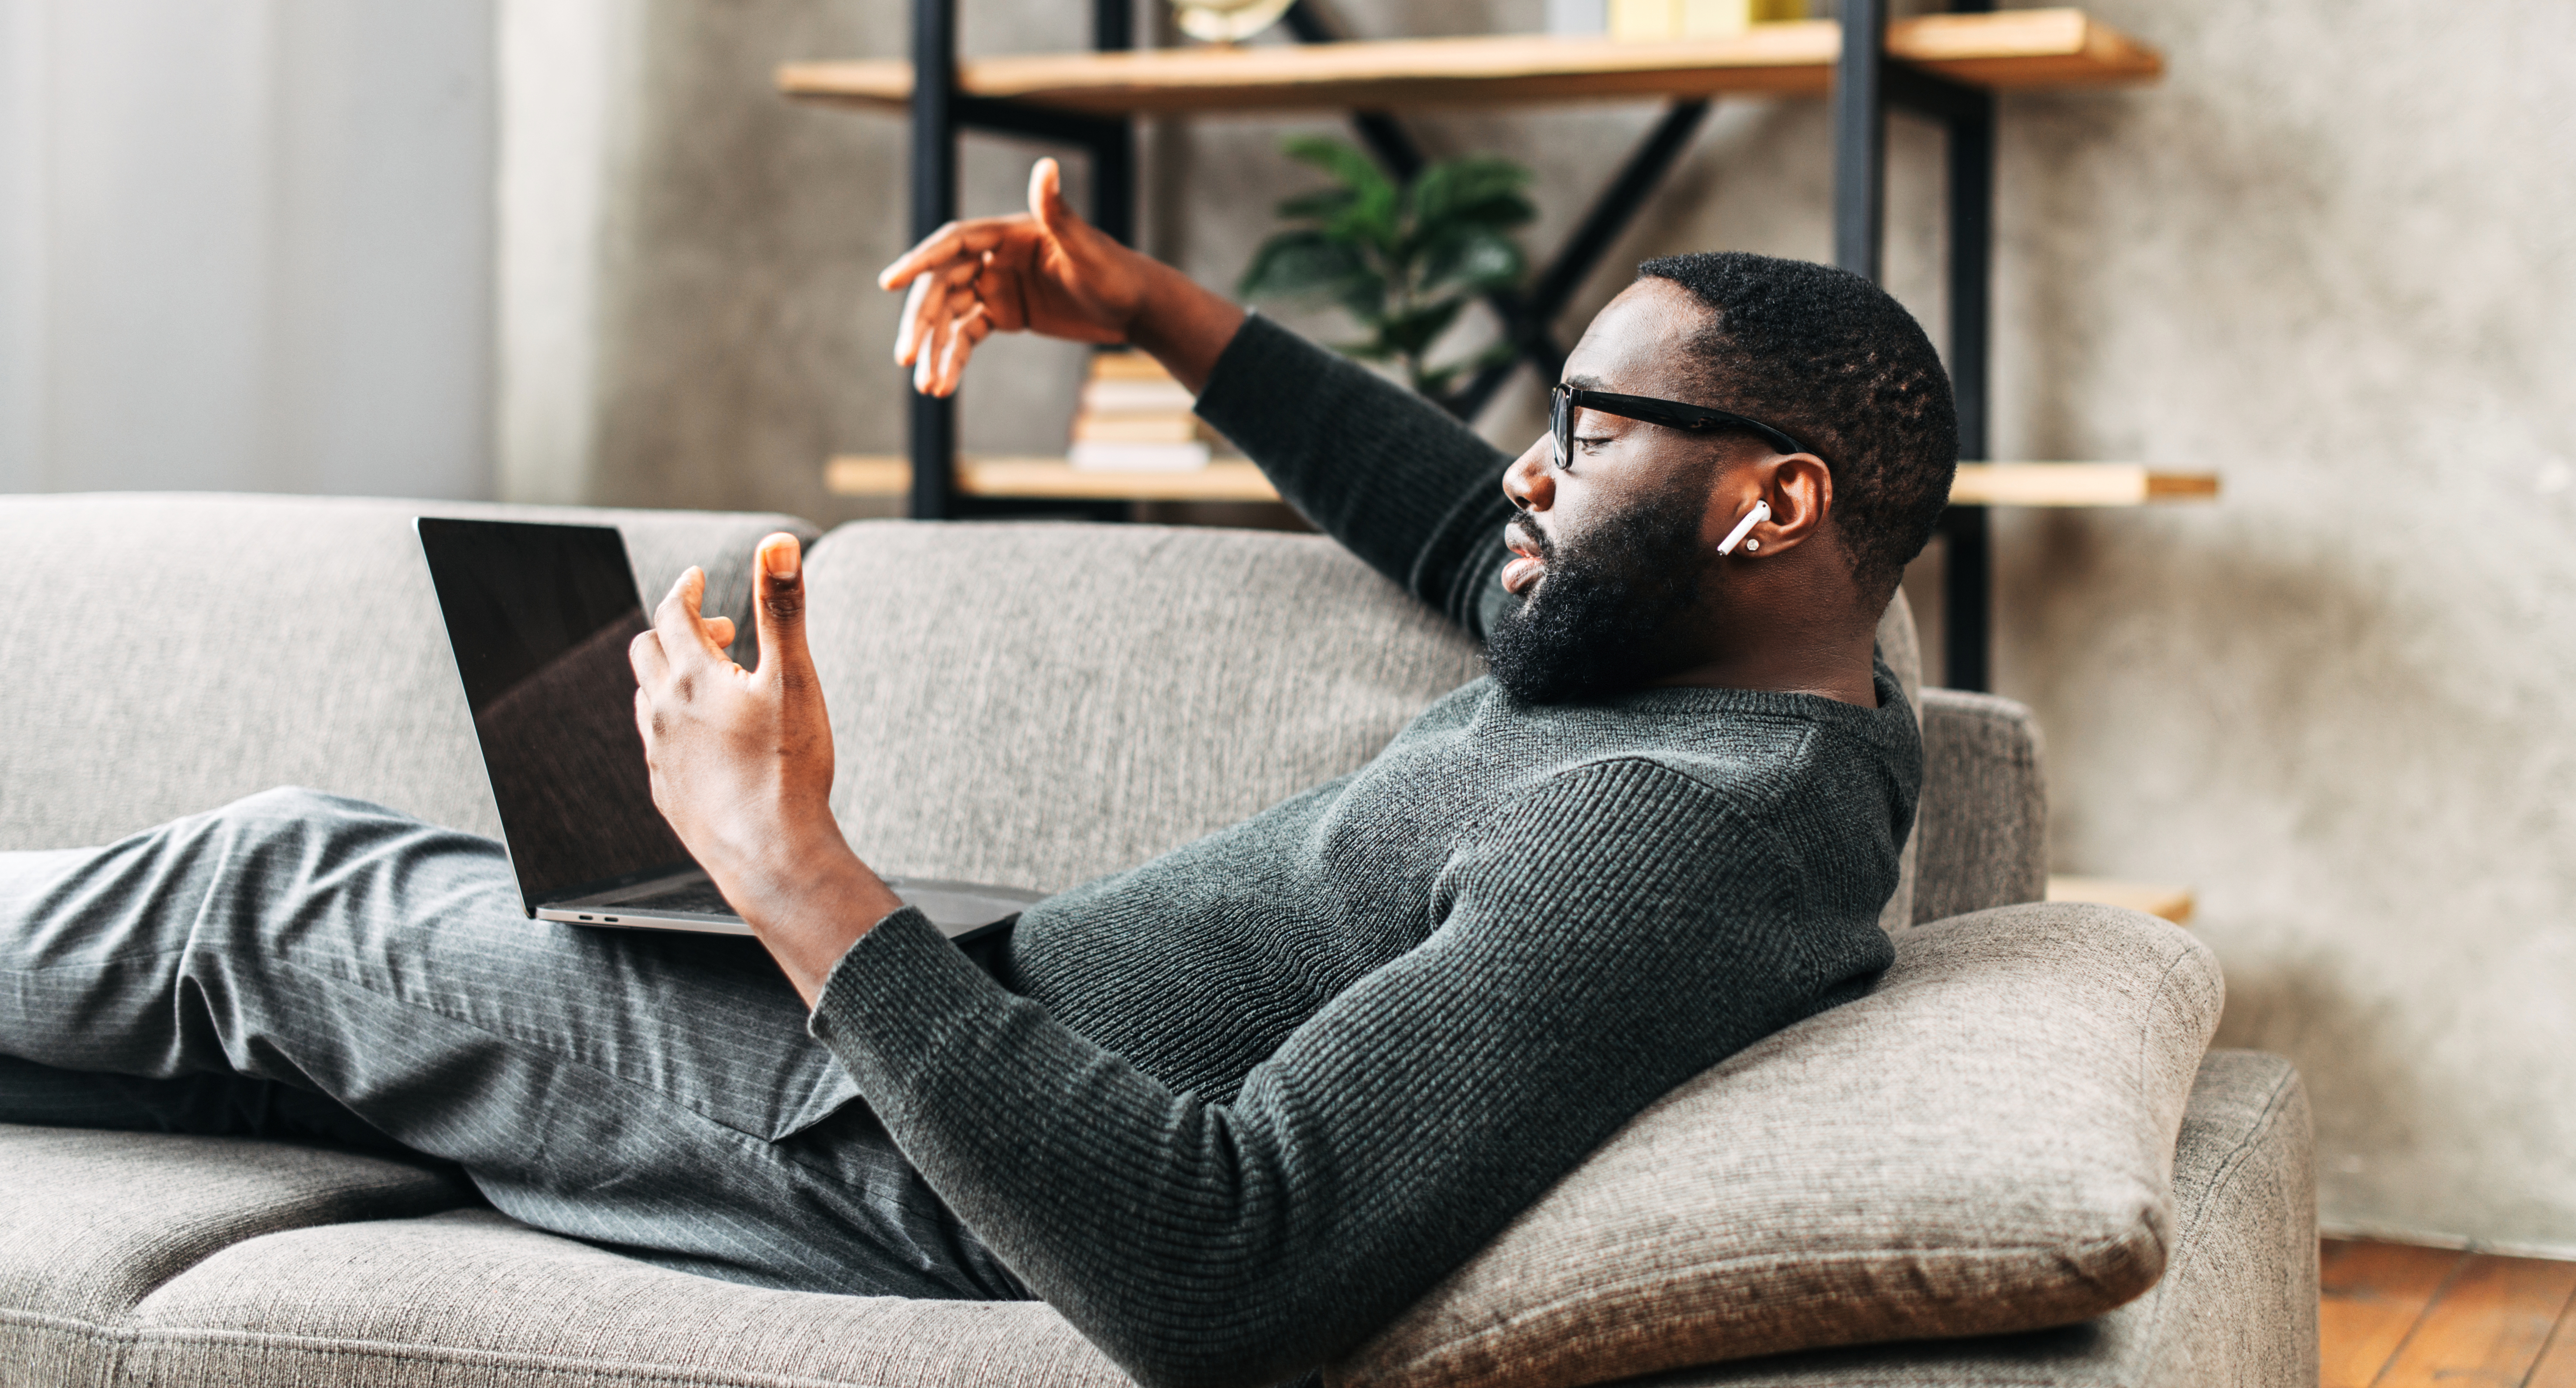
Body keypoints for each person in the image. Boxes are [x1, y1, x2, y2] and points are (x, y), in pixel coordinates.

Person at [0, 157, 1955, 1388]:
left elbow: (1226, 1266)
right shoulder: (1750, 669)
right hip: (940, 1014)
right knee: (320, 946)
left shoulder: (1667, 837)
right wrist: (1142, 309)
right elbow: (1448, 512)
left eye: (1591, 432)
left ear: (1773, 499)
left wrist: (793, 869)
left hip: (878, 1137)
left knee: (263, 890)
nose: (1526, 471)